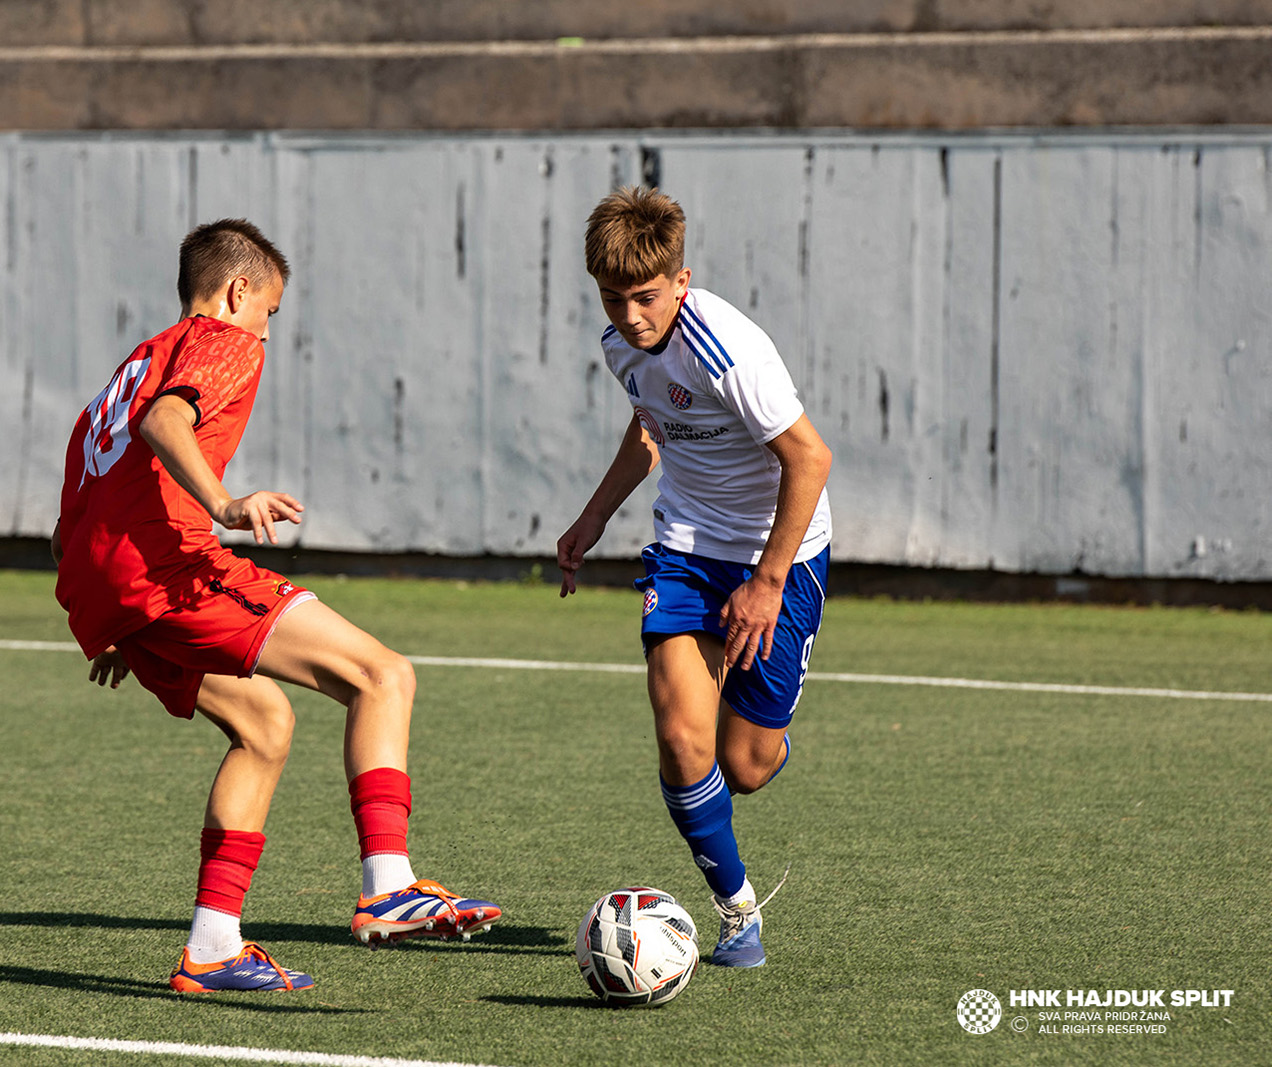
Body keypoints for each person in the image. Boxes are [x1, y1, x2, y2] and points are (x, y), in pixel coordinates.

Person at [51, 219, 500, 994]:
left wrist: (115, 620)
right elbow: (167, 421)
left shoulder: (130, 366)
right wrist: (223, 503)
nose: (269, 327)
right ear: (239, 290)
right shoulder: (224, 340)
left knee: (265, 726)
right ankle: (388, 883)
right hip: (170, 569)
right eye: (271, 309)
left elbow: (81, 508)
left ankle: (211, 947)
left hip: (108, 590)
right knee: (383, 675)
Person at [556, 187, 832, 969]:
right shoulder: (621, 344)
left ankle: (770, 740)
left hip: (782, 555)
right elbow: (651, 426)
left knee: (742, 765)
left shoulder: (726, 348)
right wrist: (594, 516)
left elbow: (809, 458)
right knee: (682, 738)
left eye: (646, 296)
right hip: (684, 550)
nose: (631, 315)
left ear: (682, 280)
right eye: (614, 298)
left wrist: (769, 580)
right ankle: (737, 914)